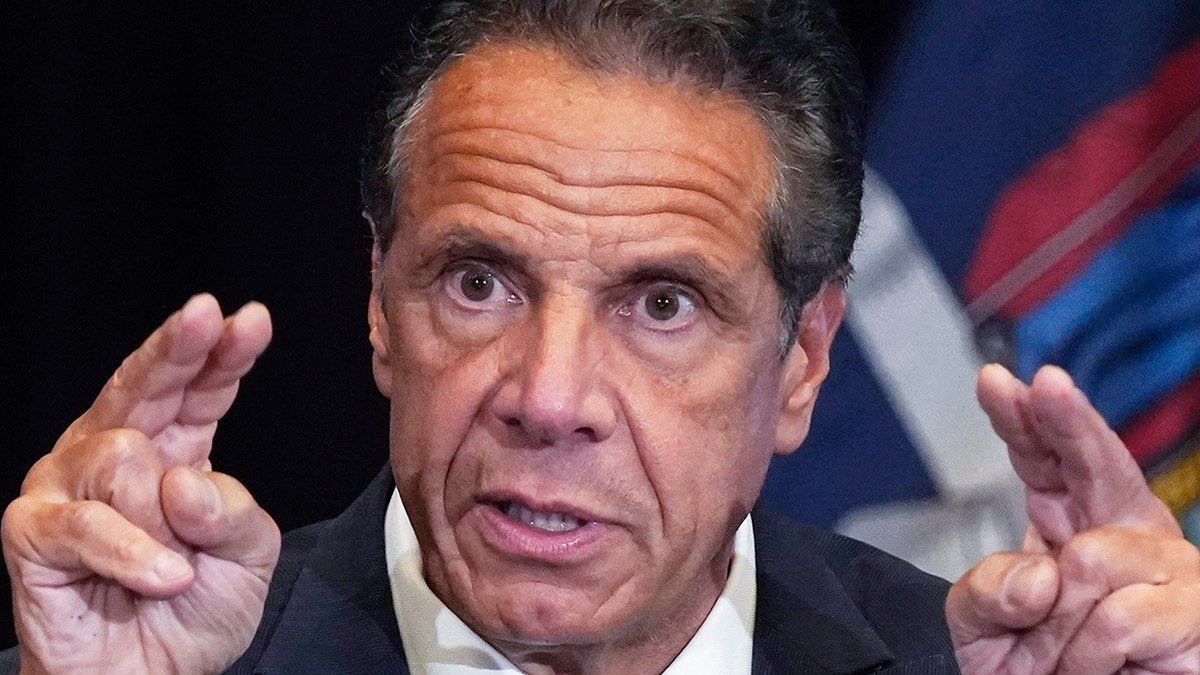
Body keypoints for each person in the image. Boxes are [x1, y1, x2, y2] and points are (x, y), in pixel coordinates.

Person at [3, 0, 1199, 672]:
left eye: (663, 305)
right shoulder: (152, 665)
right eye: (479, 284)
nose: (549, 393)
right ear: (379, 304)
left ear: (804, 361)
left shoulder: (976, 673)